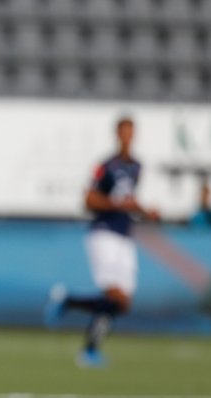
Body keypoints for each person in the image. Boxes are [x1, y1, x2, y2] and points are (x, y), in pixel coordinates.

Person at [46, 117, 159, 368]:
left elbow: (130, 201)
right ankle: (89, 350)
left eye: (131, 133)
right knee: (113, 295)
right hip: (104, 232)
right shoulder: (106, 166)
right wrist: (116, 205)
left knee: (123, 303)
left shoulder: (137, 167)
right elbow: (88, 200)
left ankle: (69, 302)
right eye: (124, 132)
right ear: (117, 135)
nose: (127, 137)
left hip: (125, 234)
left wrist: (145, 212)